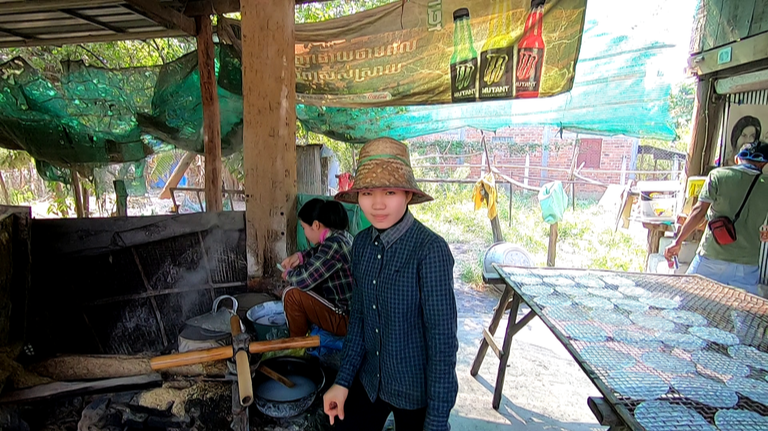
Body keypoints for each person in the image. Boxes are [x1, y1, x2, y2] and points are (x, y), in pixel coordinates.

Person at [323, 137, 458, 431]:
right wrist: (343, 381)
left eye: (390, 191)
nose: (378, 203)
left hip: (415, 391)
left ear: (408, 195)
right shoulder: (360, 245)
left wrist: (435, 422)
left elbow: (442, 345)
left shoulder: (429, 250)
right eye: (368, 192)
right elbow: (358, 317)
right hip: (371, 381)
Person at [665, 141, 768, 294]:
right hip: (746, 265)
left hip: (711, 257)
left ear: (737, 159)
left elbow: (698, 211)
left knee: (687, 302)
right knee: (743, 315)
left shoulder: (719, 175)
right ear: (764, 163)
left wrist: (678, 242)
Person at [281, 198, 354, 337]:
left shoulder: (333, 246)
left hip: (346, 319)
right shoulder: (342, 236)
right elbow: (317, 254)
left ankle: (297, 346)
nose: (305, 233)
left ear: (315, 225)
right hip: (353, 314)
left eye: (304, 228)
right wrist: (299, 257)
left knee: (291, 295)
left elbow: (303, 280)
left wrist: (288, 274)